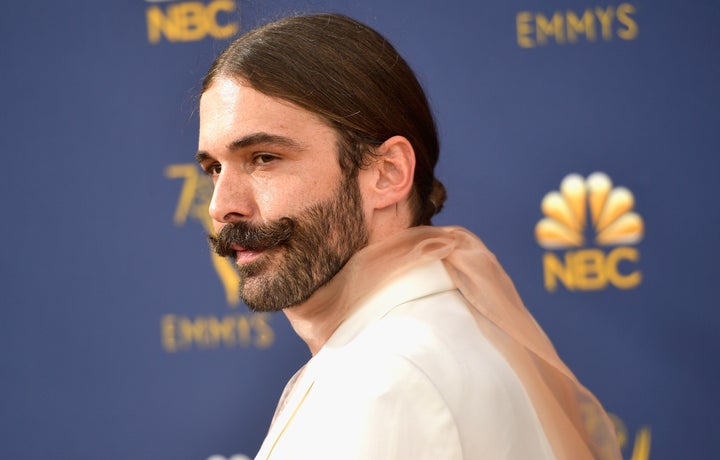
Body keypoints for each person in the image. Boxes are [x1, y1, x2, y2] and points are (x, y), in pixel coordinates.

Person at [196, 13, 621, 460]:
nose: (221, 206)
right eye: (215, 168)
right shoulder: (432, 339)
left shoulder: (383, 382)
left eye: (264, 158)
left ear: (387, 173)